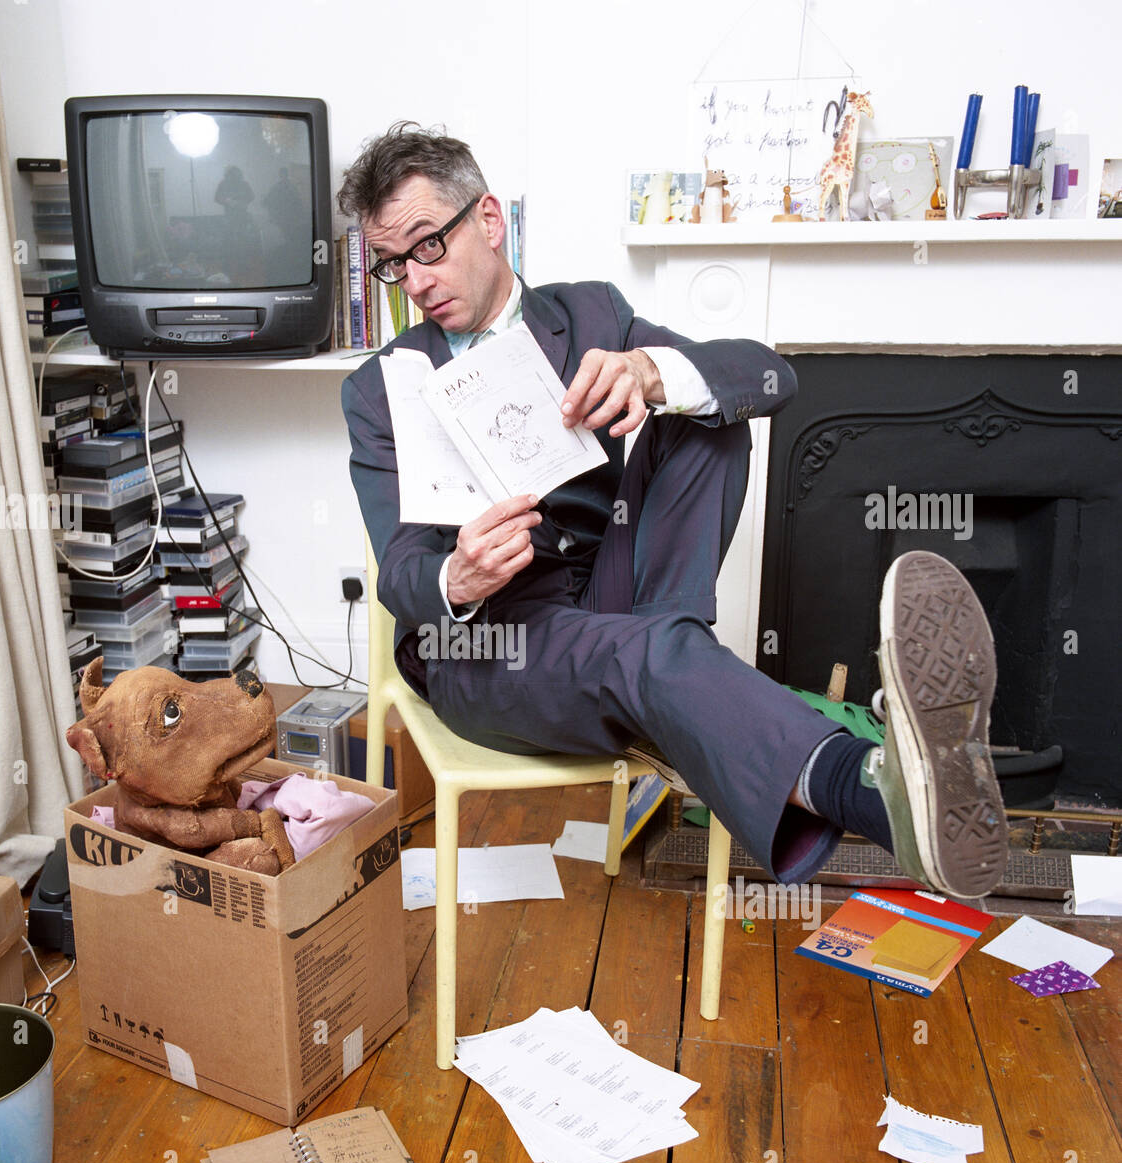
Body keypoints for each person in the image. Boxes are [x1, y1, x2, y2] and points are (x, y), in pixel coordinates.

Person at [339, 122, 1007, 898]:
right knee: (649, 655)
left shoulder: (590, 315)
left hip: (616, 595)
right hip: (492, 644)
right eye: (392, 266)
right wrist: (456, 575)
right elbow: (399, 571)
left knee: (707, 417)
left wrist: (649, 371)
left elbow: (769, 378)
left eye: (426, 246)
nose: (414, 283)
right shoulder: (379, 387)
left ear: (488, 221)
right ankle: (877, 792)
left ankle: (671, 670)